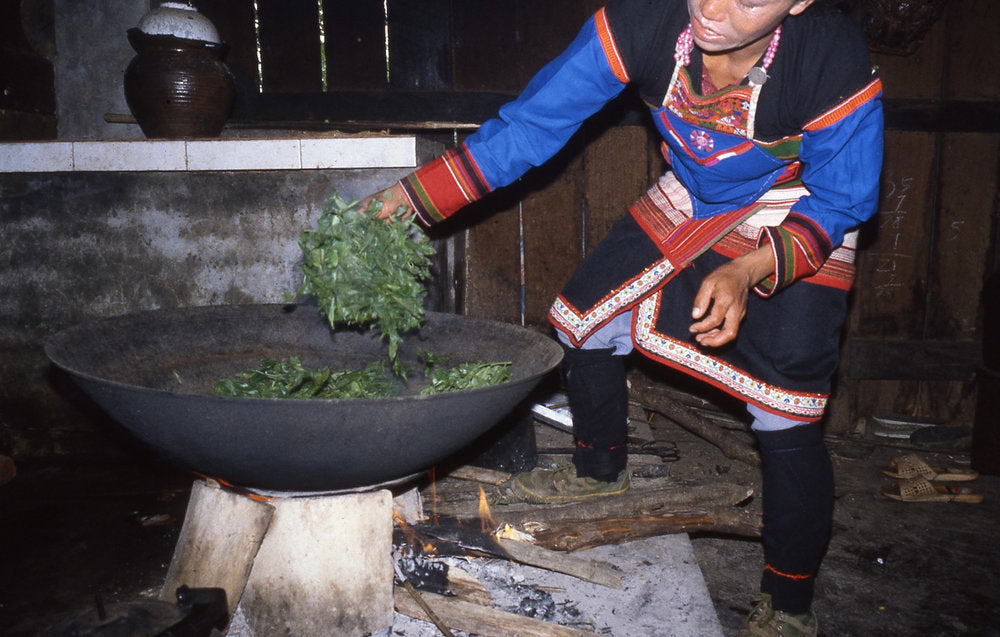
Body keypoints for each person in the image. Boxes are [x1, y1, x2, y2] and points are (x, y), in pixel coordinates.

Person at [362, 0, 883, 634]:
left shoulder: (830, 57)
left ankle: (791, 602)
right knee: (583, 317)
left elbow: (846, 195)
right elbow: (533, 125)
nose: (713, 11)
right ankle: (600, 472)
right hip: (695, 194)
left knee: (787, 405)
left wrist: (749, 270)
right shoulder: (641, 24)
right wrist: (413, 198)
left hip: (798, 206)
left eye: (748, 0)